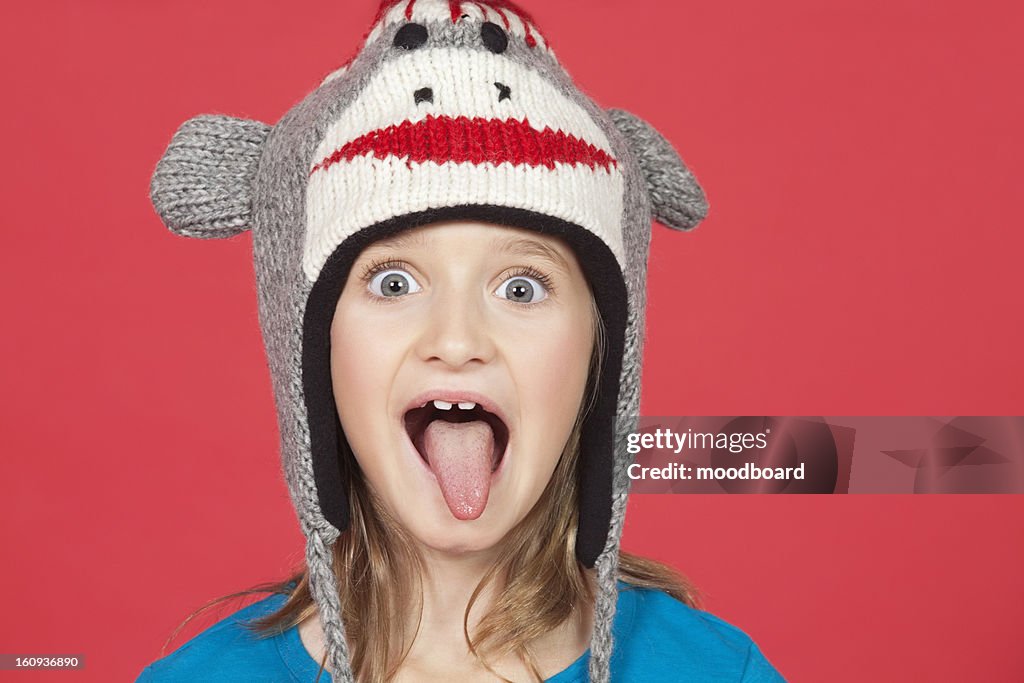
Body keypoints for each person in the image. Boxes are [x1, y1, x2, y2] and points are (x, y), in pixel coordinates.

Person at [139, 1, 786, 681]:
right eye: (392, 283)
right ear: (312, 346)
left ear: (600, 352)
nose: (456, 340)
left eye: (521, 287)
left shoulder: (716, 670)